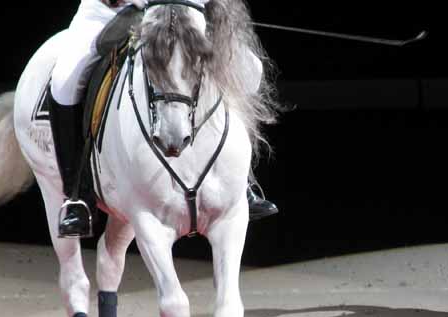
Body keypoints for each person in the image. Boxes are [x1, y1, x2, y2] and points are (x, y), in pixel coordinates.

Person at [50, 0, 278, 238]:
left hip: (187, 8)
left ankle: (242, 184)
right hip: (113, 11)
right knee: (64, 81)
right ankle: (77, 196)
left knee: (251, 72)